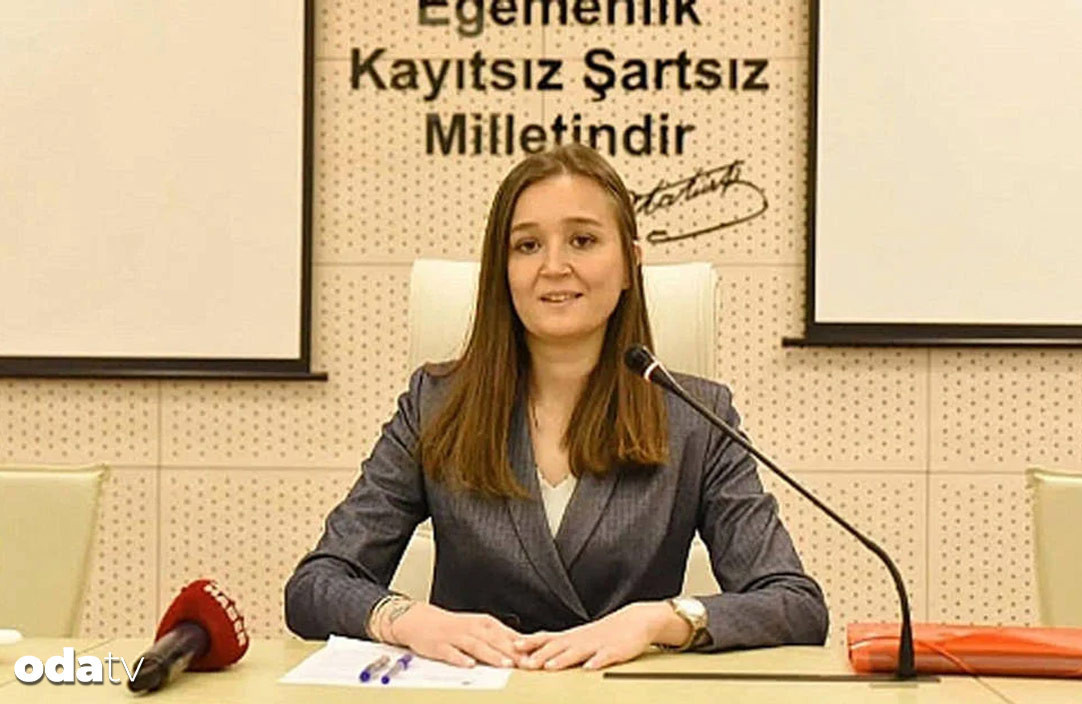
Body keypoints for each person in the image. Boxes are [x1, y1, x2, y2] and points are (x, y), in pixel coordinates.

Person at [285, 143, 827, 671]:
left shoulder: (696, 418)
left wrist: (658, 620)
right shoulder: (435, 404)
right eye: (527, 245)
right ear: (501, 270)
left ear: (631, 263)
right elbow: (315, 586)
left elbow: (795, 604)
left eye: (582, 240)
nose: (554, 266)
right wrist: (405, 618)